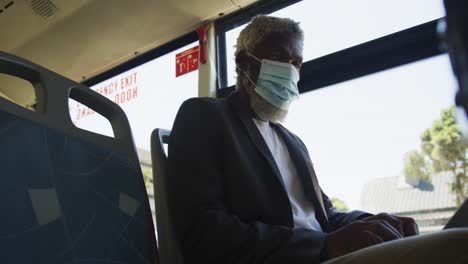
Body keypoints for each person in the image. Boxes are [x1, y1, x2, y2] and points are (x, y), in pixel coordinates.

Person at [167, 15, 468, 264]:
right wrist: (321, 246)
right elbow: (202, 231)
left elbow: (326, 216)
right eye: (281, 59)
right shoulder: (205, 115)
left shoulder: (293, 142)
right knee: (457, 247)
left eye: (297, 64)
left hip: (323, 253)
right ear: (246, 63)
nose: (292, 72)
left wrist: (376, 222)